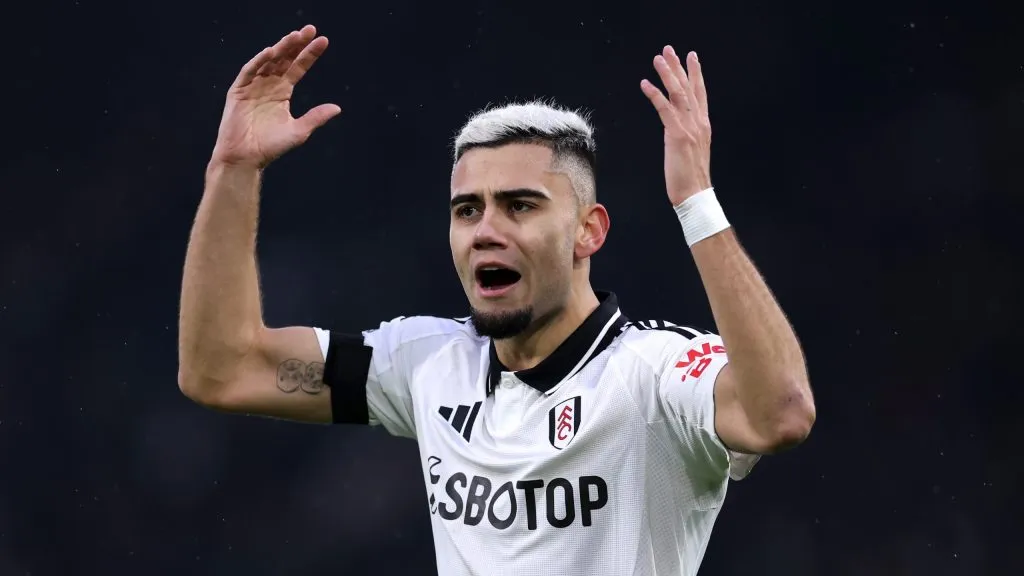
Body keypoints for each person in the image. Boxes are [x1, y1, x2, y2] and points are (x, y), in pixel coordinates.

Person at [178, 24, 816, 576]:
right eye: (467, 210)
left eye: (520, 206)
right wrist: (233, 170)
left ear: (588, 231)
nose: (486, 229)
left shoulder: (652, 371)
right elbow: (222, 369)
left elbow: (780, 414)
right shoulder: (427, 363)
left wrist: (695, 203)